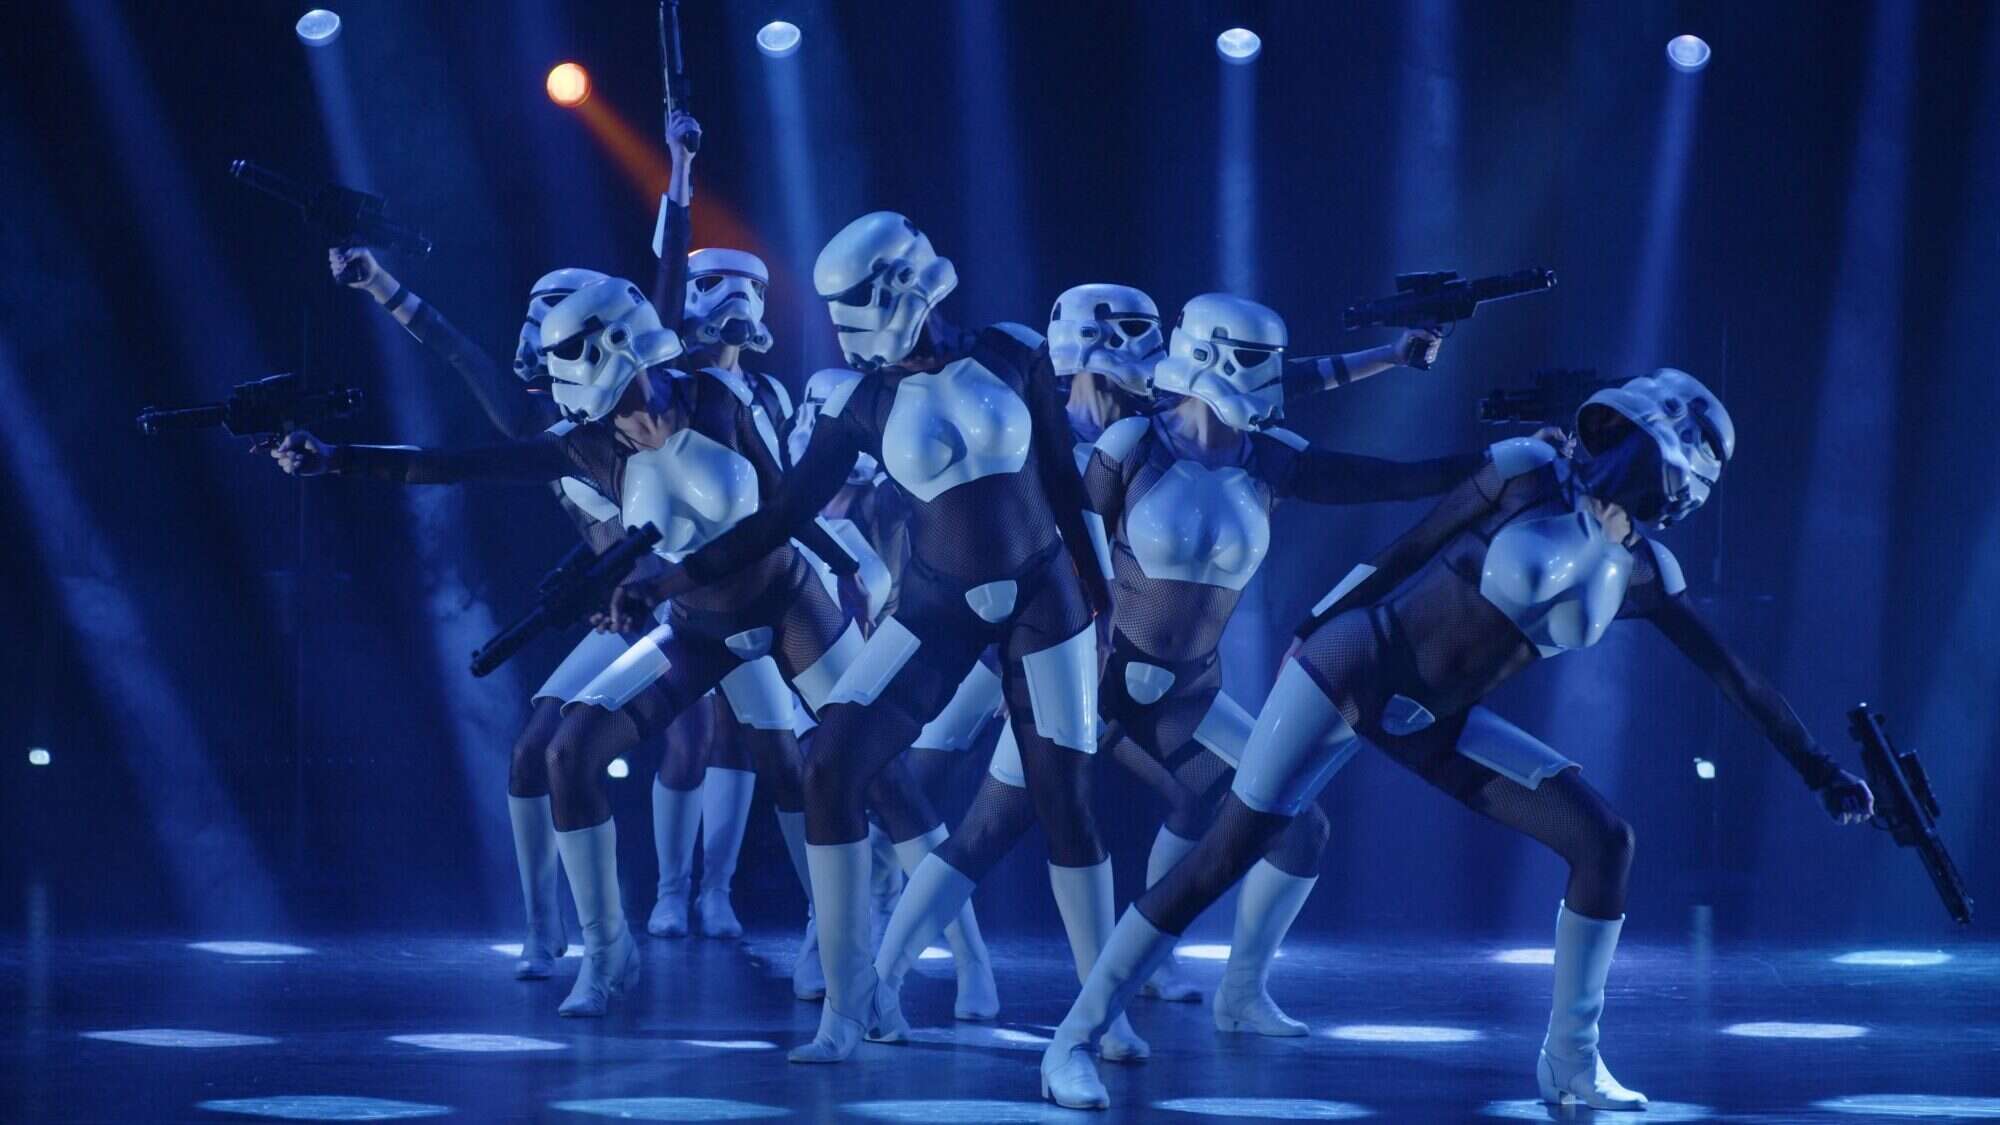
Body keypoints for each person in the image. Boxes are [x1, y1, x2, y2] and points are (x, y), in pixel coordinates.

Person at [1038, 367, 1877, 1110]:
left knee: (1603, 840)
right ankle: (1072, 1041)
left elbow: (1736, 679)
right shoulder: (1525, 475)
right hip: (1353, 666)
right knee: (1223, 855)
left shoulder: (1649, 575)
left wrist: (1819, 769)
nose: (1627, 458)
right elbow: (1408, 549)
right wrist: (1314, 629)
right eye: (1629, 439)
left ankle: (1572, 1063)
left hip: (1430, 717)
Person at [870, 292, 1478, 1045]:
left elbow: (1376, 474)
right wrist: (1032, 651)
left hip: (1187, 695)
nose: (1268, 377)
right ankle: (876, 987)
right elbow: (1061, 544)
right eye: (1250, 360)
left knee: (1297, 828)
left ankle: (1241, 991)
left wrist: (1485, 463)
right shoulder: (1132, 442)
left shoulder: (1272, 456)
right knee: (987, 830)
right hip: (1086, 678)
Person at [625, 212, 1111, 1062]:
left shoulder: (1008, 348)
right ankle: (848, 1009)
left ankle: (1101, 1019)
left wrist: (1102, 604)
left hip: (1046, 599)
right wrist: (666, 581)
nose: (848, 320)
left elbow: (1066, 487)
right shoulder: (859, 402)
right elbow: (778, 516)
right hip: (935, 608)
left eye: (858, 299)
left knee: (1062, 798)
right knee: (831, 761)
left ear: (903, 284)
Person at [319, 112, 713, 984]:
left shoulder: (655, 394)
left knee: (800, 755)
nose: (541, 345)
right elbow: (455, 416)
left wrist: (679, 172)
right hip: (636, 614)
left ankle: (824, 920)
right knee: (537, 750)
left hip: (716, 599)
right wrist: (379, 293)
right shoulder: (555, 436)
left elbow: (668, 284)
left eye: (561, 330)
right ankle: (555, 934)